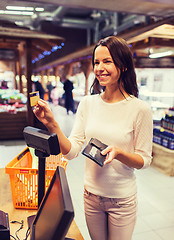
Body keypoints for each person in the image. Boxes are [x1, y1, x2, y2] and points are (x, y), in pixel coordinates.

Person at [33, 36, 153, 240]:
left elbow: (144, 160)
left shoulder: (139, 109)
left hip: (121, 200)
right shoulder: (88, 104)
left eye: (107, 61)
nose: (99, 68)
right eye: (96, 62)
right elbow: (71, 152)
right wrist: (52, 124)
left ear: (123, 65)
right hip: (91, 197)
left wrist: (119, 153)